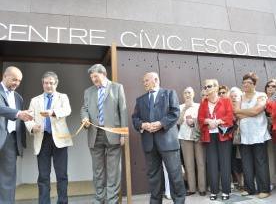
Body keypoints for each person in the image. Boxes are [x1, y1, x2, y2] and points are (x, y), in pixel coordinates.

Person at [132, 72, 186, 204]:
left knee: (175, 175)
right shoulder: (140, 100)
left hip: (168, 142)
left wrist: (161, 123)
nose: (144, 83)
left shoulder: (169, 93)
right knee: (153, 177)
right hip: (149, 143)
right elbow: (135, 118)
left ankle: (179, 201)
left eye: (146, 80)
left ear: (155, 80)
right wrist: (142, 125)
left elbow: (175, 113)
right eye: (143, 81)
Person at [81, 64, 127, 204]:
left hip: (113, 133)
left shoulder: (117, 87)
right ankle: (99, 199)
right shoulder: (88, 91)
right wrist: (85, 118)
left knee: (113, 171)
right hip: (94, 134)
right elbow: (84, 108)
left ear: (104, 74)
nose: (93, 79)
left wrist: (123, 134)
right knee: (98, 170)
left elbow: (123, 110)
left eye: (95, 76)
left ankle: (112, 200)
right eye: (91, 77)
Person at [25, 71, 73, 204]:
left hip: (60, 140)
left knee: (62, 175)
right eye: (46, 83)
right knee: (43, 176)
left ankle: (62, 202)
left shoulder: (63, 97)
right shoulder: (35, 100)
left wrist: (53, 112)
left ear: (56, 84)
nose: (48, 85)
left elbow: (67, 110)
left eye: (51, 83)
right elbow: (28, 118)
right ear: (42, 84)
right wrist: (32, 126)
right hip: (42, 139)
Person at [235, 72, 271, 199]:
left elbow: (257, 110)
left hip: (259, 135)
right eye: (244, 83)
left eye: (249, 83)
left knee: (260, 162)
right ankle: (249, 188)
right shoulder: (240, 96)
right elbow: (236, 113)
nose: (245, 85)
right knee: (246, 163)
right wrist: (250, 112)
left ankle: (265, 189)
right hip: (244, 136)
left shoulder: (261, 95)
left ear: (254, 84)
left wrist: (245, 112)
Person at [0, 66, 33, 203]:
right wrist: (19, 114)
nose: (16, 83)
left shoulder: (18, 97)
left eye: (19, 81)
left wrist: (31, 122)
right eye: (14, 79)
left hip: (10, 140)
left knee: (8, 177)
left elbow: (21, 120)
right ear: (4, 76)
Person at [198, 79, 234, 201]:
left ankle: (225, 191)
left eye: (208, 86)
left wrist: (218, 121)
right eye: (205, 87)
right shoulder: (203, 103)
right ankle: (213, 191)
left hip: (223, 135)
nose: (206, 89)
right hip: (209, 136)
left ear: (216, 87)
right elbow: (200, 118)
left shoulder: (226, 101)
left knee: (225, 163)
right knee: (212, 164)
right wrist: (208, 121)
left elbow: (230, 116)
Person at [178, 87, 206, 196]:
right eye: (185, 93)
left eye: (189, 92)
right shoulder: (180, 107)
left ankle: (202, 188)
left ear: (193, 94)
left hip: (198, 137)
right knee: (188, 164)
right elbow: (178, 122)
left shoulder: (199, 106)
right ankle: (192, 188)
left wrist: (193, 121)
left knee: (201, 163)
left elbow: (202, 120)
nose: (187, 94)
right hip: (185, 137)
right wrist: (184, 109)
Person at [229, 87, 244, 190]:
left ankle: (244, 183)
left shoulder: (244, 108)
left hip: (243, 138)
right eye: (232, 96)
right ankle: (239, 182)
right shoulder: (228, 109)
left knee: (243, 160)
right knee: (234, 161)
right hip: (230, 140)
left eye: (236, 96)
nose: (234, 98)